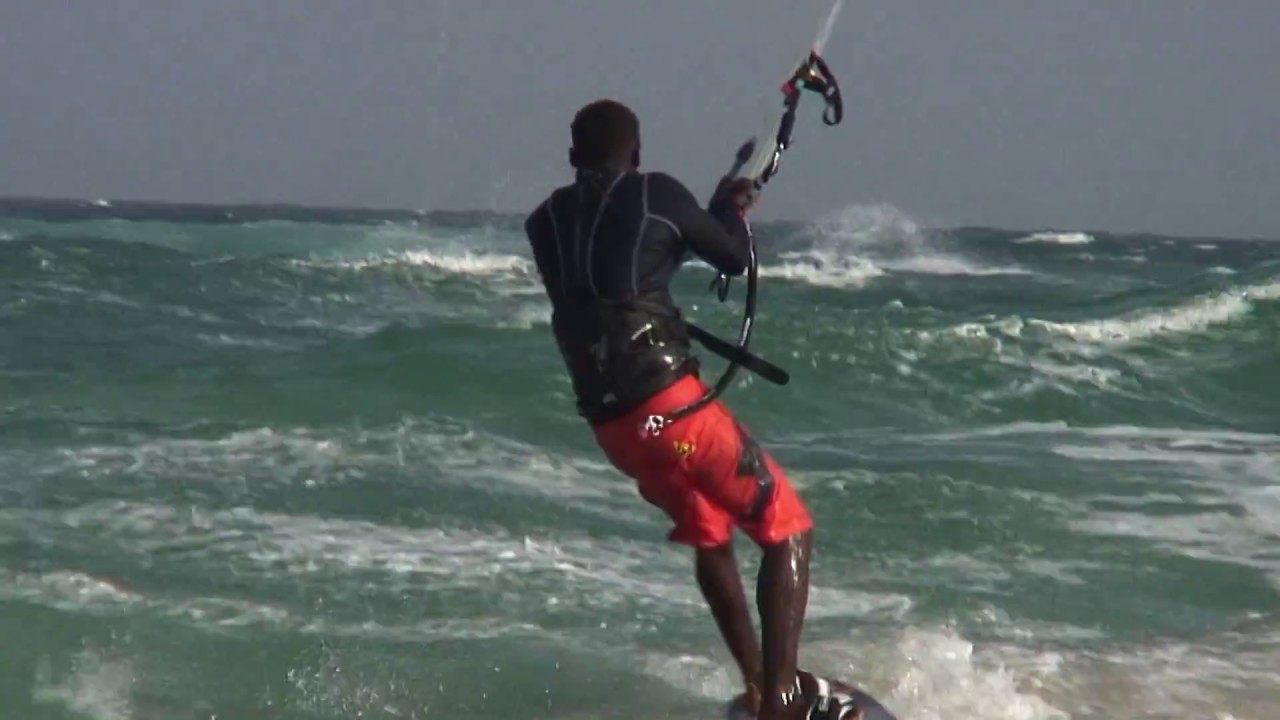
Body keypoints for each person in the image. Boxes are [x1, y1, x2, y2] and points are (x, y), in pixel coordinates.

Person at [522, 98, 816, 720]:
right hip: (674, 416)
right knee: (787, 530)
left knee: (710, 531)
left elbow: (623, 266)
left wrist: (711, 209)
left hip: (617, 431)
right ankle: (784, 701)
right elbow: (731, 256)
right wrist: (733, 206)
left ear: (573, 156)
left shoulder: (544, 221)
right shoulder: (655, 192)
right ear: (637, 153)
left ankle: (760, 685)